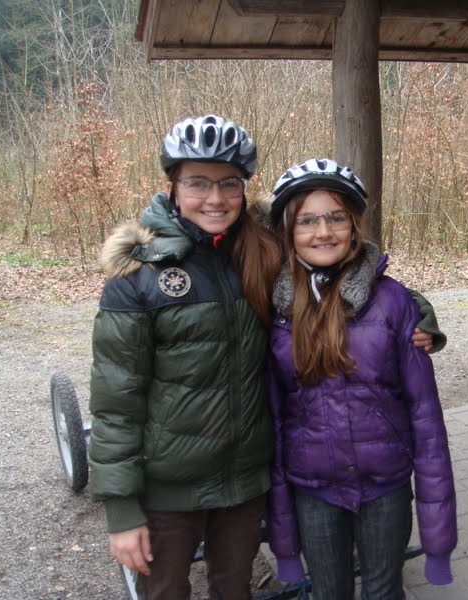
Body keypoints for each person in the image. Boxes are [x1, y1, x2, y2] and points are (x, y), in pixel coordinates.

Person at [87, 116, 443, 600]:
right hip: (170, 485)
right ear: (172, 186)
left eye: (229, 184)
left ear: (243, 188)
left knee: (234, 590)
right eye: (198, 183)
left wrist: (417, 310)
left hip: (244, 480)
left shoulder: (260, 251)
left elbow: (339, 273)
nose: (215, 198)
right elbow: (116, 401)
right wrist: (122, 508)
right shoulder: (139, 276)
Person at [266, 158, 458, 600]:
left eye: (336, 218)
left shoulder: (392, 302)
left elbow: (426, 419)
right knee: (327, 592)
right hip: (312, 487)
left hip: (384, 484)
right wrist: (285, 545)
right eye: (307, 221)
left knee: (382, 591)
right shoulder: (274, 309)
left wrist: (438, 543)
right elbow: (274, 419)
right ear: (288, 231)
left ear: (354, 226)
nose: (323, 232)